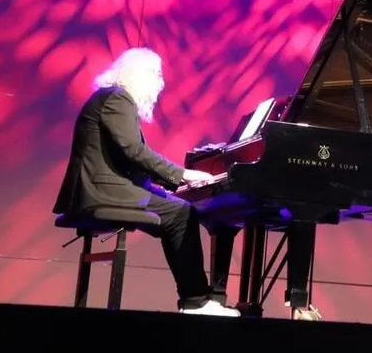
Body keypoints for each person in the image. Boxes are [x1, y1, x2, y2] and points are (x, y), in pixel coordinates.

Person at [52, 48, 240, 317]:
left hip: (104, 187)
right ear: (136, 73)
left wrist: (168, 185)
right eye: (156, 74)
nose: (160, 82)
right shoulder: (118, 98)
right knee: (181, 214)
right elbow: (133, 151)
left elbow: (125, 158)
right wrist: (182, 175)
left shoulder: (110, 98)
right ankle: (196, 302)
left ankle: (197, 300)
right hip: (101, 191)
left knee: (179, 209)